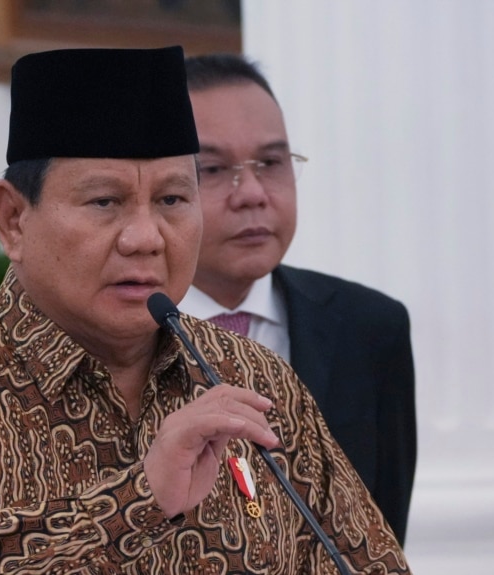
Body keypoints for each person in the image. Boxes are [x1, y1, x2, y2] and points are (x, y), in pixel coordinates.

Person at [0, 46, 410, 574]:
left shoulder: (253, 379)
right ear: (13, 219)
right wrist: (138, 500)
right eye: (105, 202)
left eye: (172, 199)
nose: (145, 238)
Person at [178, 53, 417, 545]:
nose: (252, 193)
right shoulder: (111, 338)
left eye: (270, 163)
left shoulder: (370, 328)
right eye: (214, 169)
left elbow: (383, 535)